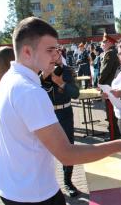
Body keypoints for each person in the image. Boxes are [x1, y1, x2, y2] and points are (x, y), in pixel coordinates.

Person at [0, 17, 121, 205]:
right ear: (27, 51)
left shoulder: (10, 80)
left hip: (15, 188)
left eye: (57, 49)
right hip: (34, 194)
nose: (56, 55)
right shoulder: (29, 91)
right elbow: (67, 154)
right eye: (50, 50)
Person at [40, 55, 80, 197]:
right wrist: (43, 76)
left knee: (68, 147)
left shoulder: (67, 71)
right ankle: (47, 183)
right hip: (47, 114)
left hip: (65, 113)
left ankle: (68, 182)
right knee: (43, 149)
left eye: (55, 53)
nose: (53, 57)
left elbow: (76, 94)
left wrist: (61, 83)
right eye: (49, 53)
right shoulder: (38, 72)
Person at [99, 32, 121, 140]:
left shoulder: (109, 53)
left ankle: (114, 137)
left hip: (108, 87)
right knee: (113, 113)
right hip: (113, 86)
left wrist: (99, 83)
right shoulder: (114, 52)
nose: (102, 44)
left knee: (111, 114)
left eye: (103, 41)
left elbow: (105, 71)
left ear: (109, 42)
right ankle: (116, 134)